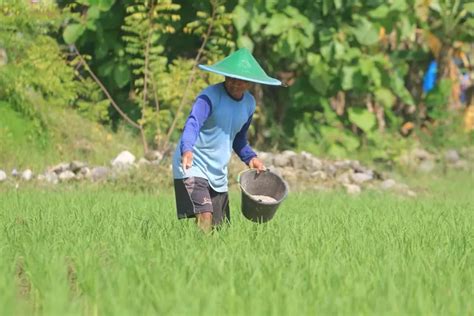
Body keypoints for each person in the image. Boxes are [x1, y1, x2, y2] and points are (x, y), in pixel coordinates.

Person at [172, 48, 283, 232]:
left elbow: (239, 139)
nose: (235, 84)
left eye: (241, 80)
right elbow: (193, 124)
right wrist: (187, 149)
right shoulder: (209, 97)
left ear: (249, 82)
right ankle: (199, 255)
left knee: (220, 229)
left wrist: (251, 158)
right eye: (231, 78)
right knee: (205, 214)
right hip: (193, 162)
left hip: (217, 170)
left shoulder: (249, 104)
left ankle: (207, 255)